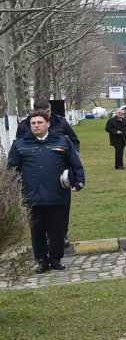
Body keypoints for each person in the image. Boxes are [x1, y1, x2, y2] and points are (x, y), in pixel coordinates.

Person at [7, 110, 84, 273]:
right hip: (32, 195)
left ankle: (56, 259)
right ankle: (42, 260)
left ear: (48, 124)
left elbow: (75, 163)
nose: (36, 126)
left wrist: (78, 182)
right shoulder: (20, 144)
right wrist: (11, 191)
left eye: (39, 122)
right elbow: (11, 170)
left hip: (57, 194)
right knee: (37, 231)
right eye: (33, 123)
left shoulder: (62, 141)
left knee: (57, 230)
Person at [16, 99, 80, 148]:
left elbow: (74, 140)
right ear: (35, 111)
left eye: (48, 111)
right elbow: (18, 144)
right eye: (42, 112)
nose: (46, 114)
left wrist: (74, 154)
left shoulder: (61, 123)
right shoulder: (24, 126)